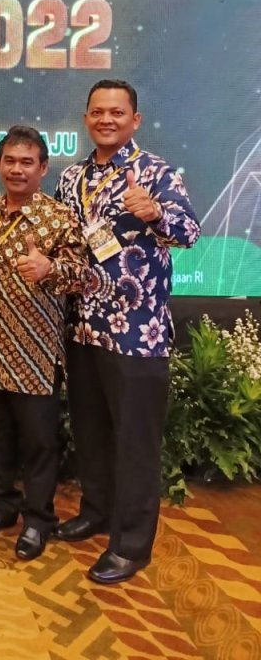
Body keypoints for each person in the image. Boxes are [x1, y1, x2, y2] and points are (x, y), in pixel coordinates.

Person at [55, 79, 201, 584]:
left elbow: (190, 231)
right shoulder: (72, 178)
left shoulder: (156, 172)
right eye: (98, 111)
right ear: (86, 118)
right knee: (91, 432)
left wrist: (156, 212)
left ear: (135, 120)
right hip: (83, 329)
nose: (107, 119)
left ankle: (132, 544)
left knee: (135, 442)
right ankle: (96, 512)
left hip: (137, 334)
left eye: (117, 112)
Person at [0, 126, 87, 560]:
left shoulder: (59, 218)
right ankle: (1, 505)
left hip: (35, 353)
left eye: (27, 162)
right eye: (10, 161)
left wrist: (49, 268)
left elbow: (81, 276)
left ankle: (38, 519)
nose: (17, 170)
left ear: (43, 167)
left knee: (38, 443)